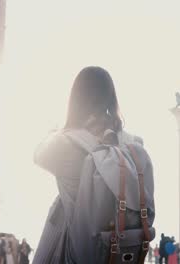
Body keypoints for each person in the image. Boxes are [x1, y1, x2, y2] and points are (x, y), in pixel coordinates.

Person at [33, 66, 151, 263]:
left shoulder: (66, 144)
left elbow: (38, 155)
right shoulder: (133, 144)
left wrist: (58, 129)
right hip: (123, 252)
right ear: (111, 97)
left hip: (78, 253)